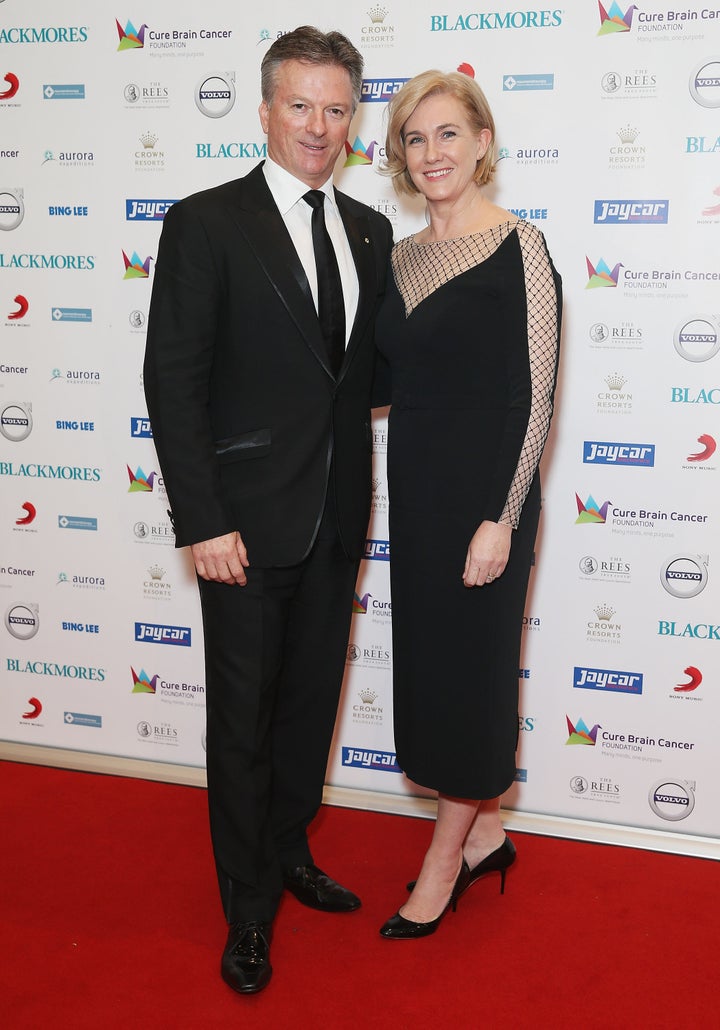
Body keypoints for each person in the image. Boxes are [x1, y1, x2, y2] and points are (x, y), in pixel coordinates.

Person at [143, 26, 393, 992]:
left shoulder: (368, 229)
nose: (319, 127)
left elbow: (360, 376)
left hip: (334, 514)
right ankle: (248, 910)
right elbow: (174, 381)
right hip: (240, 524)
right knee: (242, 720)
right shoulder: (206, 223)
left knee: (304, 710)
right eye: (301, 105)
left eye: (337, 109)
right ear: (264, 110)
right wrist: (202, 520)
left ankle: (289, 852)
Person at [374, 70, 561, 939]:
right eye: (416, 138)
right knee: (432, 671)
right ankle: (485, 832)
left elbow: (537, 395)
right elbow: (375, 381)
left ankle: (442, 861)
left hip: (486, 500)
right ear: (400, 155)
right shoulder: (400, 255)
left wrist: (504, 515)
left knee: (471, 679)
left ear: (483, 142)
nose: (433, 153)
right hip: (414, 495)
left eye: (449, 134)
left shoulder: (520, 245)